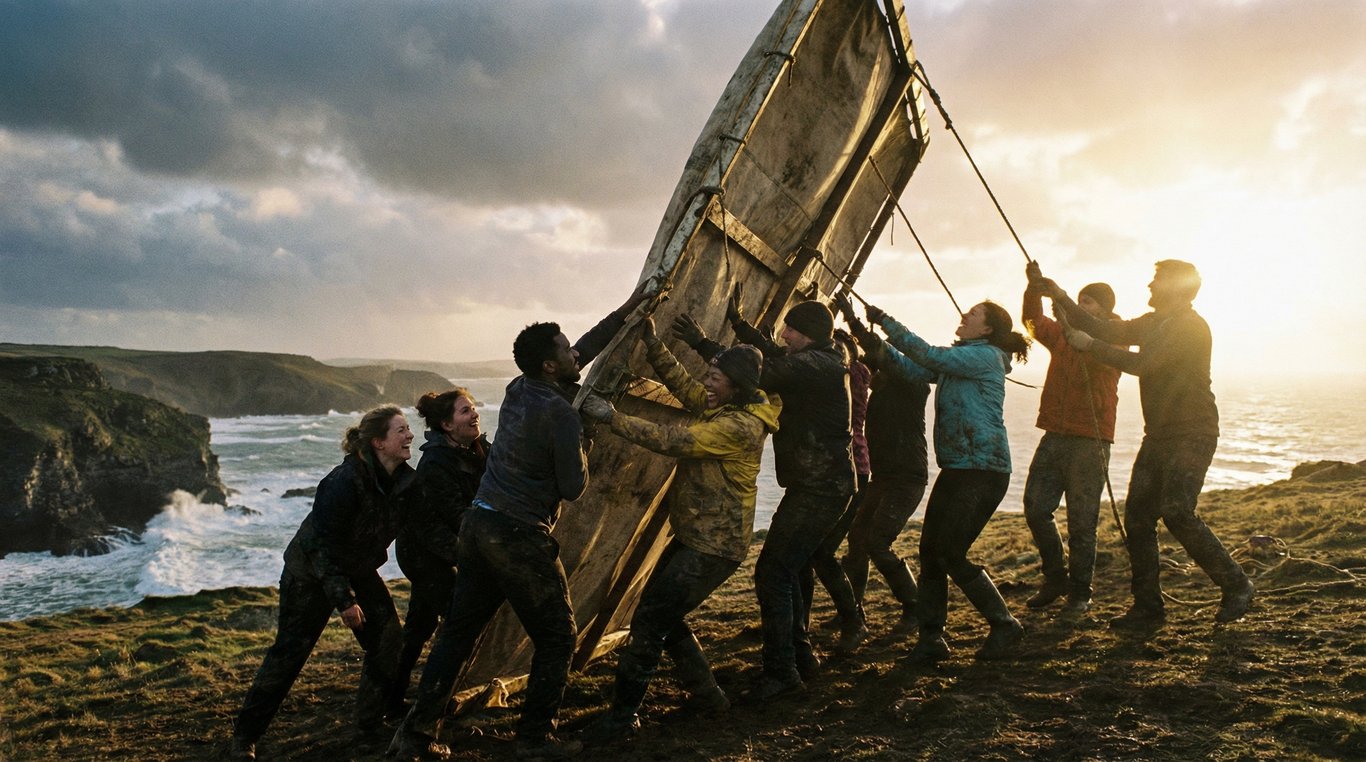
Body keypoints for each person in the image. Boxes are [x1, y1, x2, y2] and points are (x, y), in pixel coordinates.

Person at [391, 323, 591, 761]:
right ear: (550, 364)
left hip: (478, 525)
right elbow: (574, 487)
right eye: (565, 349)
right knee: (559, 637)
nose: (576, 353)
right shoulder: (562, 414)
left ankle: (416, 736)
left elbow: (578, 354)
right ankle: (535, 739)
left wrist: (629, 308)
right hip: (518, 534)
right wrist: (583, 441)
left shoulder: (518, 388)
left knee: (457, 635)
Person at [577, 315, 779, 743]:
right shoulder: (729, 405)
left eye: (716, 377)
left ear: (737, 385)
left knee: (651, 621)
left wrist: (610, 417)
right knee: (661, 614)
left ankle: (622, 718)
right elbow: (687, 388)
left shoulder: (740, 426)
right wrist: (654, 345)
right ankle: (707, 695)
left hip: (714, 546)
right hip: (696, 537)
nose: (708, 383)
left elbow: (674, 441)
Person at [1034, 259, 1254, 628]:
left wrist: (1090, 346)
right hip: (1160, 435)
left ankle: (1237, 584)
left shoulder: (1190, 327)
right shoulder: (1153, 323)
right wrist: (1059, 295)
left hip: (1193, 431)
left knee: (1178, 511)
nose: (1149, 286)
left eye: (1156, 281)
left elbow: (1145, 364)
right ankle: (1148, 608)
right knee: (1138, 519)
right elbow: (1102, 326)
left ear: (1174, 288)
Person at [673, 299, 857, 698]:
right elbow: (772, 354)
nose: (784, 335)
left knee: (773, 573)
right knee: (786, 571)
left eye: (791, 329)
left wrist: (705, 345)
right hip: (818, 485)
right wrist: (741, 326)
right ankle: (799, 659)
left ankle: (782, 673)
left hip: (822, 487)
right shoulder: (823, 355)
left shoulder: (817, 366)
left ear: (808, 334)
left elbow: (762, 374)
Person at [231, 406, 417, 761]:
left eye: (408, 429)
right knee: (289, 655)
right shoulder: (343, 482)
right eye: (401, 430)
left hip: (358, 568)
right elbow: (320, 546)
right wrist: (344, 600)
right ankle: (245, 737)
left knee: (387, 638)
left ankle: (369, 725)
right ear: (379, 442)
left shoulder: (406, 481)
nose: (409, 436)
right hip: (311, 573)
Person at [861, 300, 1030, 662]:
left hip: (984, 471)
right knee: (930, 554)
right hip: (958, 468)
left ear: (986, 329)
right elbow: (911, 367)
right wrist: (871, 341)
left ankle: (1004, 624)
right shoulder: (962, 360)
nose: (964, 316)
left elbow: (928, 355)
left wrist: (886, 321)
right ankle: (931, 640)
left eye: (972, 314)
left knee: (950, 552)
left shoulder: (984, 356)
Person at [1020, 273, 1122, 617]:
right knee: (1035, 508)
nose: (1080, 307)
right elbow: (1032, 322)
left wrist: (1072, 325)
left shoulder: (1114, 338)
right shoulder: (1063, 334)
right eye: (1078, 300)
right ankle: (1055, 577)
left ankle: (1080, 593)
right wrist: (1034, 289)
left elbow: (1103, 363)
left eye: (1087, 302)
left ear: (1104, 310)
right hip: (1055, 433)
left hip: (1090, 441)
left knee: (1082, 522)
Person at [834, 296, 931, 635]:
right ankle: (852, 609)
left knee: (876, 541)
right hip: (886, 475)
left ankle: (914, 607)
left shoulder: (912, 383)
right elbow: (872, 356)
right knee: (858, 538)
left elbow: (877, 350)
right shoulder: (888, 384)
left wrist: (853, 320)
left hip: (906, 476)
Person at [391, 389, 489, 708]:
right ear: (447, 425)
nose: (474, 414)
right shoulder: (436, 463)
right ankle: (434, 697)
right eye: (465, 411)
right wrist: (476, 553)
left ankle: (392, 694)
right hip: (424, 551)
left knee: (421, 623)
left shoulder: (476, 449)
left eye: (473, 408)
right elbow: (454, 516)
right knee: (456, 619)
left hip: (444, 546)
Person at [808, 328, 873, 645]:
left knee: (819, 552)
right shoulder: (856, 372)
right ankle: (849, 618)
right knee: (815, 552)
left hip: (848, 471)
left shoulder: (847, 372)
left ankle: (854, 620)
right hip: (852, 469)